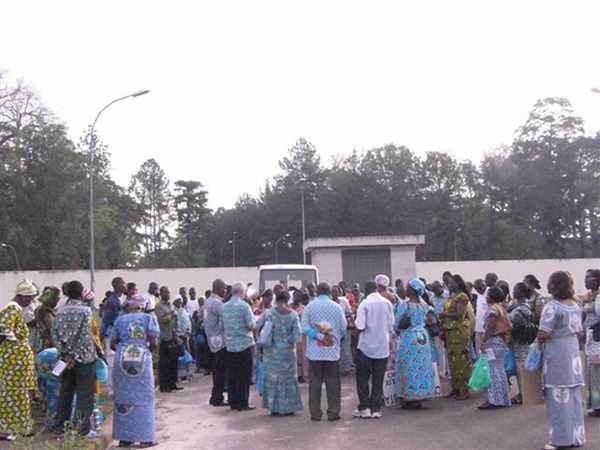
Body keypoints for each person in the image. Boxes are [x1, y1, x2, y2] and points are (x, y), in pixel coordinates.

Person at [538, 271, 585, 450]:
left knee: (558, 399)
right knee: (573, 398)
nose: (547, 285)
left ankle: (560, 440)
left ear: (555, 286)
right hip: (572, 353)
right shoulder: (575, 305)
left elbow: (543, 334)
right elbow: (579, 332)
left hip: (557, 355)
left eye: (550, 282)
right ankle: (576, 437)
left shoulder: (552, 307)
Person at [111, 293, 159, 448]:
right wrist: (144, 350)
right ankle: (145, 439)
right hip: (141, 360)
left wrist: (125, 348)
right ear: (143, 306)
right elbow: (153, 342)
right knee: (144, 398)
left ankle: (125, 438)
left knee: (124, 397)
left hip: (121, 359)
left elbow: (112, 343)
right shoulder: (148, 319)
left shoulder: (120, 320)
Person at [51, 280, 97, 437]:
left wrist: (66, 353)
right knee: (85, 394)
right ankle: (80, 429)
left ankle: (60, 427)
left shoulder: (59, 311)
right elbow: (85, 335)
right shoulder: (85, 311)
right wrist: (75, 354)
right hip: (84, 358)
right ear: (81, 293)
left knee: (65, 392)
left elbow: (54, 334)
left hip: (65, 360)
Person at [302, 282, 347, 422]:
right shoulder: (337, 307)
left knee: (315, 383)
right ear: (329, 292)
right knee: (333, 383)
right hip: (332, 352)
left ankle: (315, 413)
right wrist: (332, 338)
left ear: (317, 292)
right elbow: (343, 328)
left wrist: (319, 337)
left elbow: (304, 328)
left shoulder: (310, 307)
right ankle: (333, 412)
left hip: (315, 353)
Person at [0, 280, 38, 441]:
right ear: (22, 296)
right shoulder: (12, 308)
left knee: (20, 393)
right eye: (30, 298)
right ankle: (9, 428)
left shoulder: (16, 309)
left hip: (17, 359)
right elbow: (3, 329)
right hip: (12, 360)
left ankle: (21, 427)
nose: (31, 301)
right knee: (11, 393)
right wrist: (14, 345)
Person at [394, 278, 437, 410]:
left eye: (407, 287)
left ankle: (409, 396)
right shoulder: (425, 306)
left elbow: (397, 325)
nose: (405, 289)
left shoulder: (404, 305)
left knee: (408, 366)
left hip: (409, 338)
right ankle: (422, 394)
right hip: (423, 338)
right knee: (422, 366)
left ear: (412, 290)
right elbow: (430, 320)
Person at [353, 281, 394, 419]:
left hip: (366, 347)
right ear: (377, 289)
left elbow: (360, 326)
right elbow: (391, 325)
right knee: (378, 379)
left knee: (362, 379)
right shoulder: (387, 303)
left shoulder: (364, 304)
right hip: (382, 347)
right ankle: (376, 409)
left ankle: (364, 408)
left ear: (365, 290)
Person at [257, 291, 303, 416]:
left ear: (276, 299)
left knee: (273, 380)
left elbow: (257, 326)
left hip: (271, 353)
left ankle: (274, 407)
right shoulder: (293, 315)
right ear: (288, 300)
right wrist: (287, 340)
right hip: (288, 354)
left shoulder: (268, 313)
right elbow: (297, 336)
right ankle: (288, 407)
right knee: (288, 379)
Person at [222, 282, 256, 411]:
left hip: (230, 345)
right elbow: (251, 325)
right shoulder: (244, 306)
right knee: (244, 376)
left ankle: (233, 401)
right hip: (244, 345)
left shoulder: (224, 307)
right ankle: (243, 403)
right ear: (242, 292)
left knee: (232, 375)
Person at [440, 274, 473, 400]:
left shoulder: (462, 297)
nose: (448, 285)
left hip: (459, 332)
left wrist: (444, 315)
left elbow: (459, 314)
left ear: (458, 284)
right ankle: (455, 388)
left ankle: (464, 389)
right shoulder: (452, 297)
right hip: (450, 332)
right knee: (452, 361)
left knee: (461, 361)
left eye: (451, 282)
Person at [478, 286, 512, 410]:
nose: (486, 297)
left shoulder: (493, 310)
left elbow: (490, 327)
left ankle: (494, 400)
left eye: (488, 295)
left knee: (493, 371)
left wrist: (483, 340)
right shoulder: (501, 308)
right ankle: (502, 398)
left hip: (494, 341)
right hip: (501, 341)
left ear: (491, 297)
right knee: (500, 370)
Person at [508, 282, 535, 405]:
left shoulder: (521, 308)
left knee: (521, 367)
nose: (513, 291)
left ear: (522, 292)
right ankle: (524, 392)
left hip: (520, 340)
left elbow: (513, 322)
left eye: (515, 289)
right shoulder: (519, 305)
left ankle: (523, 394)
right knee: (522, 366)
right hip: (522, 340)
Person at [205, 279, 228, 407]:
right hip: (220, 340)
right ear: (218, 288)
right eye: (224, 288)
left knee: (217, 370)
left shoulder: (208, 301)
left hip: (212, 339)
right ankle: (217, 398)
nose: (225, 291)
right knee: (220, 371)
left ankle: (216, 396)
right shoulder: (217, 303)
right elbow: (227, 318)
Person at [155, 286, 181, 393]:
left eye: (169, 293)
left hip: (172, 336)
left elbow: (174, 319)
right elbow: (162, 320)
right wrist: (171, 315)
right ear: (161, 293)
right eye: (166, 293)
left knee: (173, 362)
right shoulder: (159, 306)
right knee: (164, 363)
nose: (168, 294)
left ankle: (172, 383)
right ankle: (164, 385)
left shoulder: (170, 305)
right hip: (164, 337)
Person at [583, 269, 600, 417]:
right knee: (591, 371)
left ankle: (598, 406)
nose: (586, 280)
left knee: (596, 371)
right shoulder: (589, 296)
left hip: (596, 338)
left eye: (589, 278)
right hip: (591, 338)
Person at [29, 286, 60, 355]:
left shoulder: (38, 309)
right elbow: (52, 330)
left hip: (36, 344)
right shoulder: (47, 313)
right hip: (44, 346)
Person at [331, 285, 354, 375]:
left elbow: (349, 312)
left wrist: (348, 320)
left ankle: (345, 369)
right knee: (333, 348)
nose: (334, 293)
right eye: (333, 291)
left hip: (344, 328)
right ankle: (335, 369)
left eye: (336, 291)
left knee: (345, 349)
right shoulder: (329, 302)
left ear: (339, 292)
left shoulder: (344, 301)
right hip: (332, 329)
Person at [101, 277, 125, 344]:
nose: (125, 285)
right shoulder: (112, 301)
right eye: (123, 283)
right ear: (117, 285)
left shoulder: (120, 298)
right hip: (111, 334)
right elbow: (107, 320)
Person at [174, 297, 192, 382]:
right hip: (178, 336)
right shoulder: (174, 312)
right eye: (178, 302)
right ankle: (181, 375)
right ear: (175, 303)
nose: (179, 303)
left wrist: (188, 331)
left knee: (187, 355)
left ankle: (187, 373)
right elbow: (173, 325)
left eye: (180, 302)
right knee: (180, 356)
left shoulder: (184, 311)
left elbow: (188, 322)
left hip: (185, 336)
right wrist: (176, 336)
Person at [473, 279, 488, 354]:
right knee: (479, 352)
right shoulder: (478, 295)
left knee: (487, 353)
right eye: (476, 289)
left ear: (483, 285)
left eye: (479, 288)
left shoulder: (489, 293)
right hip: (478, 328)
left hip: (487, 330)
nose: (478, 291)